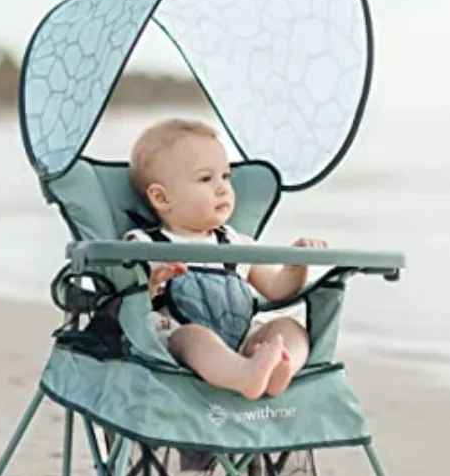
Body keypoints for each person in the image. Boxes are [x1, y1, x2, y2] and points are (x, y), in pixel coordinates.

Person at [126, 117, 326, 400]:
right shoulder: (145, 244)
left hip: (241, 342)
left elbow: (278, 288)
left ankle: (280, 366)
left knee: (288, 328)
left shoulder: (236, 242)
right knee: (195, 336)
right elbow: (128, 300)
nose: (222, 188)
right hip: (176, 343)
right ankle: (246, 375)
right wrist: (153, 282)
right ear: (161, 198)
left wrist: (297, 264)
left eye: (226, 176)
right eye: (206, 178)